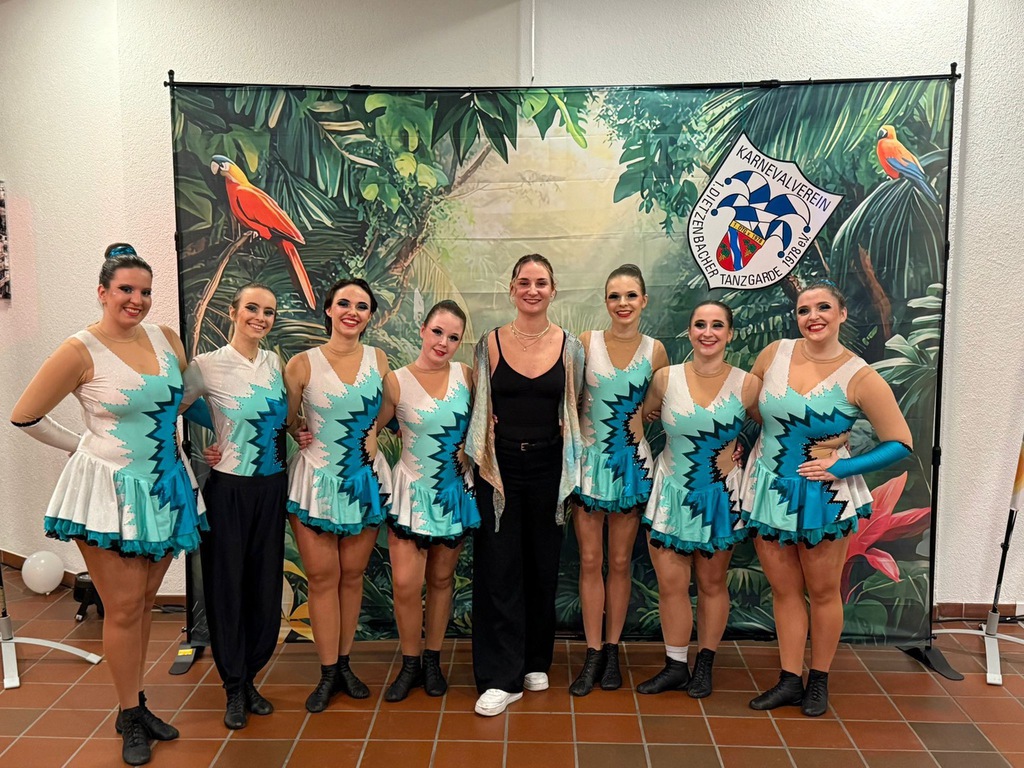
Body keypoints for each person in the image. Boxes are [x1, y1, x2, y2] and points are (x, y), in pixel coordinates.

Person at [10, 244, 206, 766]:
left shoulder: (166, 338)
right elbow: (26, 415)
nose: (136, 299)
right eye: (125, 289)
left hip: (166, 485)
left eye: (145, 291)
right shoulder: (80, 350)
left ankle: (135, 703)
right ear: (102, 292)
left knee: (143, 603)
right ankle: (128, 713)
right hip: (109, 495)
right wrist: (83, 445)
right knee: (121, 608)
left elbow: (185, 393)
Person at [741, 280, 912, 717]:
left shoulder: (861, 376)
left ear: (842, 314)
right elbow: (751, 406)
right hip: (769, 488)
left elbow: (900, 443)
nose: (812, 317)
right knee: (784, 591)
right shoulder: (773, 354)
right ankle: (788, 679)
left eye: (822, 308)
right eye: (804, 310)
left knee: (821, 592)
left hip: (825, 497)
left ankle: (818, 679)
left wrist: (841, 466)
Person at [182, 283, 310, 729]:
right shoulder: (207, 365)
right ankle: (233, 685)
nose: (261, 317)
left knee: (263, 585)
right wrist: (209, 441)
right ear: (233, 312)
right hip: (229, 492)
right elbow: (175, 407)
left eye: (268, 311)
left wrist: (298, 430)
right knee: (227, 587)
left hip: (272, 489)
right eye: (252, 308)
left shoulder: (275, 363)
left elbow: (281, 419)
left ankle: (251, 676)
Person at [466, 253, 584, 717]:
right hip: (499, 469)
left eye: (541, 282)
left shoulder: (570, 346)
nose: (532, 290)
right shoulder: (489, 343)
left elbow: (576, 403)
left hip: (549, 466)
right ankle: (501, 676)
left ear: (553, 290)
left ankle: (535, 659)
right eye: (524, 282)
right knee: (499, 567)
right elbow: (479, 403)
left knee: (541, 564)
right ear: (512, 289)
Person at [637, 300, 759, 698]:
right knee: (671, 585)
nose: (708, 333)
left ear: (730, 333)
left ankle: (704, 665)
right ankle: (675, 665)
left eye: (717, 325)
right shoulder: (665, 379)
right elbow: (644, 417)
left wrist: (742, 446)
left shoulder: (747, 384)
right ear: (689, 331)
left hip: (719, 496)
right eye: (700, 324)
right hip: (670, 492)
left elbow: (774, 429)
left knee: (711, 583)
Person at [285, 277, 391, 712]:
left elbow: (387, 409)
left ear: (370, 316)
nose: (352, 312)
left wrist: (372, 435)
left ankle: (345, 664)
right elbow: (287, 418)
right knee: (323, 578)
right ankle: (327, 671)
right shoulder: (301, 364)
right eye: (344, 303)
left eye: (362, 306)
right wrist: (298, 429)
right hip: (316, 482)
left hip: (364, 481)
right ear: (328, 309)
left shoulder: (379, 359)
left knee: (352, 576)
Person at [569, 264, 667, 696]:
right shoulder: (585, 343)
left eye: (630, 295)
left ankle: (612, 651)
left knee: (622, 562)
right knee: (590, 560)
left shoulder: (656, 351)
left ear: (644, 300)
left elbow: (660, 408)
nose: (622, 303)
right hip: (588, 465)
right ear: (605, 301)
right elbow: (567, 401)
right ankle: (591, 653)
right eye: (614, 296)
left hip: (631, 467)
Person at [377, 300, 480, 702]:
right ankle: (410, 663)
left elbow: (486, 426)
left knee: (441, 581)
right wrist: (304, 433)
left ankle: (433, 661)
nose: (443, 342)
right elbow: (369, 430)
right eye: (437, 332)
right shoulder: (396, 381)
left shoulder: (467, 376)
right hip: (410, 492)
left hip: (453, 493)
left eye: (453, 337)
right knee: (406, 585)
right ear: (422, 329)